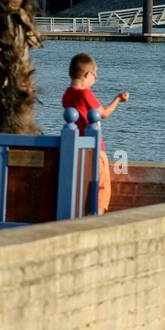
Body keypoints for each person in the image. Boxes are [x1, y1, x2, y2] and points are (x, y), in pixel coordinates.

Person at [62, 52, 129, 214]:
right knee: (102, 187)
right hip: (96, 148)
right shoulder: (85, 93)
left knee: (82, 184)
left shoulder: (67, 94)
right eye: (95, 75)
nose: (95, 79)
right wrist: (118, 99)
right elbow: (103, 114)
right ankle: (97, 218)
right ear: (87, 74)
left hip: (77, 147)